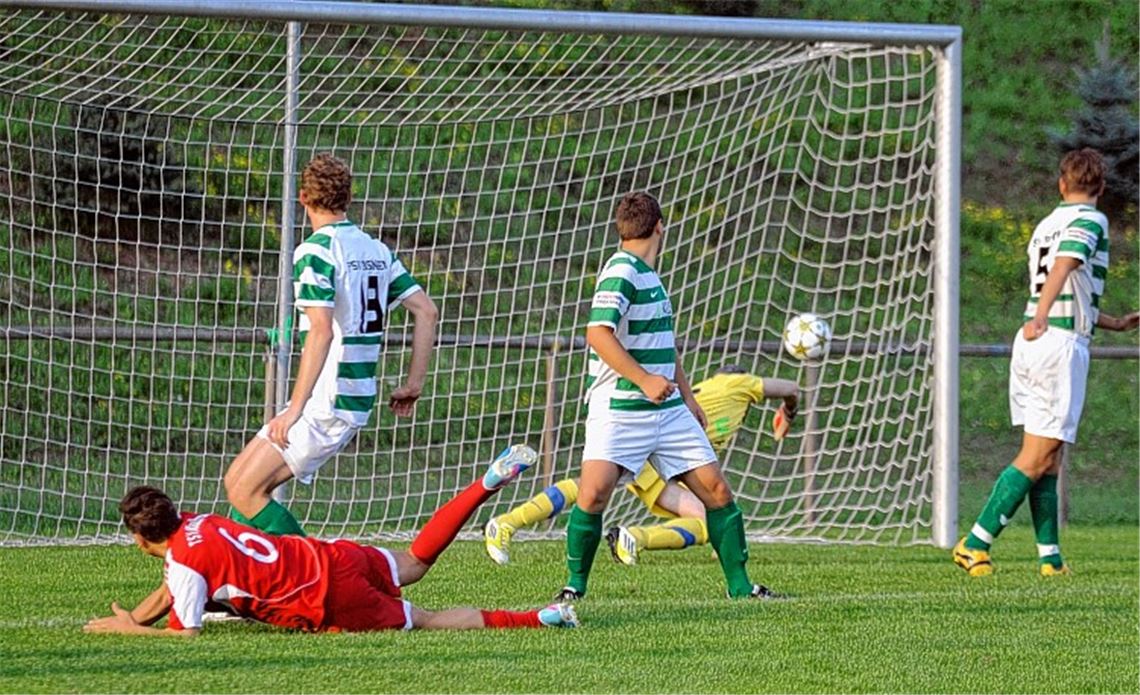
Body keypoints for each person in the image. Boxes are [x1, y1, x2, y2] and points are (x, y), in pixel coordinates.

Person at [83, 446, 579, 636]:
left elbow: (185, 633)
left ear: (142, 539)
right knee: (415, 559)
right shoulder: (199, 521)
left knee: (428, 619)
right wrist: (136, 614)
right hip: (331, 555)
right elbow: (171, 589)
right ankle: (485, 483)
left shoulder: (186, 563)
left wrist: (127, 629)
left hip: (327, 597)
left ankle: (539, 617)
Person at [553, 191, 775, 601]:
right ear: (660, 226)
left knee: (717, 492)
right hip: (620, 408)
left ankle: (742, 588)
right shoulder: (621, 270)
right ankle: (573, 588)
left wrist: (687, 396)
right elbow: (597, 333)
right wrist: (643, 380)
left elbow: (664, 345)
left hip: (669, 410)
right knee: (593, 494)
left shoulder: (649, 275)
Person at [223, 153, 438, 536]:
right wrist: (413, 384)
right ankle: (239, 570)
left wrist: (294, 410)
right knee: (238, 483)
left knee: (245, 490)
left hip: (328, 400)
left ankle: (314, 570)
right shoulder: (376, 251)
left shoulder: (316, 252)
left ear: (303, 198)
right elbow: (427, 311)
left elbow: (321, 331)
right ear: (348, 198)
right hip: (343, 396)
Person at [953, 148, 1139, 577]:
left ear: (1061, 184)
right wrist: (1042, 316)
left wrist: (1113, 322)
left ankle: (1050, 559)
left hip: (1035, 340)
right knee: (1037, 456)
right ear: (1101, 187)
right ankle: (975, 542)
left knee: (1049, 456)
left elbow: (1064, 286)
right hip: (1055, 341)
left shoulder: (1045, 226)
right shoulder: (1090, 220)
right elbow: (1066, 264)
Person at [484, 365, 799, 566]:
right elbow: (790, 388)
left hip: (654, 448)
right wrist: (788, 411)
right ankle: (631, 538)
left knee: (587, 488)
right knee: (706, 520)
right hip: (654, 445)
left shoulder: (707, 387)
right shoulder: (739, 384)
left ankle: (509, 523)